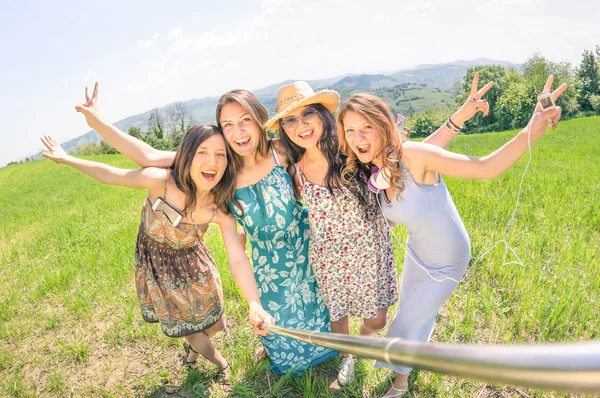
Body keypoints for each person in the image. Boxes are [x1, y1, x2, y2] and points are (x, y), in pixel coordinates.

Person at [74, 83, 337, 375]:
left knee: (320, 312)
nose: (238, 132)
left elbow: (322, 157)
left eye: (245, 120)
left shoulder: (282, 152)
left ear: (259, 118)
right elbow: (147, 157)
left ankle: (336, 352)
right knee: (279, 334)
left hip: (308, 251)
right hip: (267, 265)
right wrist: (96, 122)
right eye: (228, 125)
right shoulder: (221, 169)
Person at [336, 76, 566, 397]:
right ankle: (409, 363)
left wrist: (531, 128)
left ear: (383, 127)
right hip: (419, 253)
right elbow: (390, 221)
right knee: (415, 312)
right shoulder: (376, 172)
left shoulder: (413, 155)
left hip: (449, 260)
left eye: (366, 128)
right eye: (349, 130)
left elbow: (485, 167)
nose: (357, 137)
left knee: (403, 324)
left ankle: (400, 382)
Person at [40, 125, 274, 376]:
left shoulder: (219, 209)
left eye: (221, 155)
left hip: (195, 263)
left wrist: (254, 302)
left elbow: (238, 259)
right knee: (192, 330)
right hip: (160, 267)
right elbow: (109, 174)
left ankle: (194, 349)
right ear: (186, 155)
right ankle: (222, 365)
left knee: (217, 323)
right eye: (202, 152)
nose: (212, 162)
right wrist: (68, 159)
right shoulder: (160, 182)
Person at [264, 81, 397, 386]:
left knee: (376, 319)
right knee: (338, 312)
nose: (302, 125)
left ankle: (361, 343)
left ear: (323, 114)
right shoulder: (294, 166)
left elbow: (396, 158)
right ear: (284, 128)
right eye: (291, 119)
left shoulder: (350, 148)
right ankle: (348, 357)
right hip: (328, 253)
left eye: (307, 113)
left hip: (369, 249)